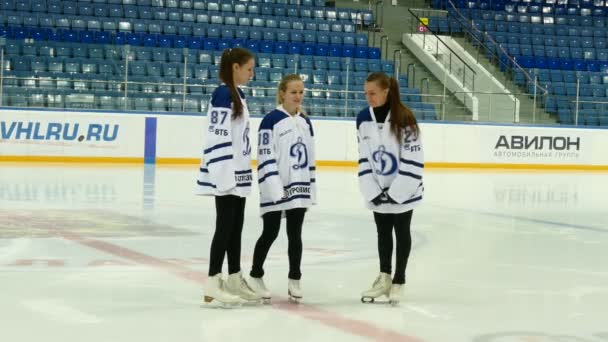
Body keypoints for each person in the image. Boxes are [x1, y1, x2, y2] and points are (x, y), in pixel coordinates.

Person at [196, 47, 261, 306]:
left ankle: (234, 276)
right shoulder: (223, 94)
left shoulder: (238, 95)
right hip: (227, 174)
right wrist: (224, 174)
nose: (251, 73)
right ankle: (212, 281)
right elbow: (217, 135)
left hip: (240, 173)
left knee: (236, 228)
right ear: (235, 67)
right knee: (224, 227)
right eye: (248, 68)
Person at [356, 72, 424, 305]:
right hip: (378, 189)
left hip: (404, 190)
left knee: (401, 232)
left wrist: (397, 192)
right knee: (382, 233)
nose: (368, 98)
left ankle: (399, 280)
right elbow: (364, 157)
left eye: (373, 93)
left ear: (386, 91)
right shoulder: (363, 118)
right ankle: (384, 277)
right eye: (366, 93)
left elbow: (413, 159)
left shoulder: (405, 118)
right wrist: (372, 190)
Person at [247, 74, 317, 303]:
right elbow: (266, 157)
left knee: (295, 234)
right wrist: (276, 188)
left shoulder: (306, 122)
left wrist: (311, 188)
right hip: (275, 187)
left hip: (299, 187)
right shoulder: (271, 121)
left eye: (301, 92)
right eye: (293, 92)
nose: (298, 96)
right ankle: (256, 275)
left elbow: (310, 159)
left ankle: (294, 279)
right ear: (282, 94)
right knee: (271, 231)